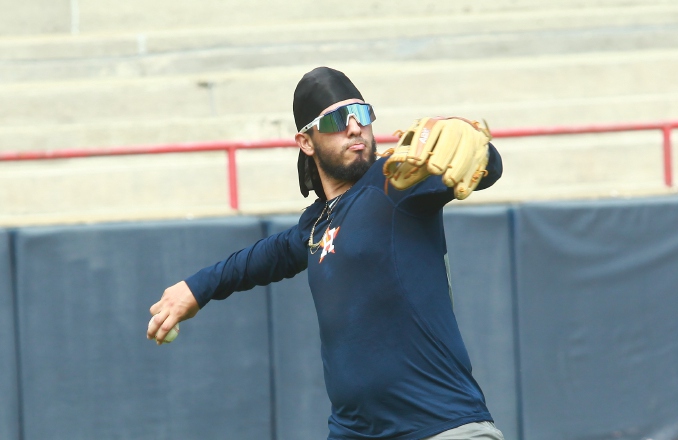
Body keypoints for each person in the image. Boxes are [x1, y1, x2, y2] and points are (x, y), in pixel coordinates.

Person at [147, 67, 505, 440]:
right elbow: (257, 260)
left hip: (442, 426)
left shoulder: (396, 180)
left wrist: (481, 151)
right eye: (336, 119)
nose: (354, 127)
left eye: (362, 114)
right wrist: (195, 288)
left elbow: (483, 168)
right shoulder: (315, 225)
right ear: (306, 141)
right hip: (353, 432)